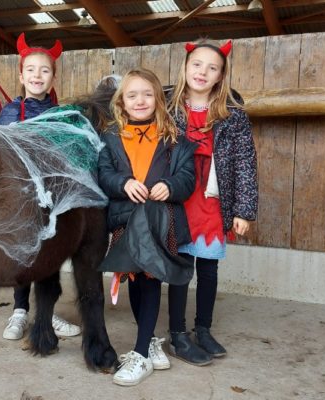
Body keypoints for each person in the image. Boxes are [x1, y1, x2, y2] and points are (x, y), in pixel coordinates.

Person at [97, 68, 196, 386]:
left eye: (147, 94)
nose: (140, 100)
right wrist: (124, 182)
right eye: (132, 95)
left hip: (159, 219)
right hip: (126, 218)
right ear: (121, 102)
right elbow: (104, 174)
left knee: (150, 276)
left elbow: (187, 178)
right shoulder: (111, 137)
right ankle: (150, 340)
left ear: (158, 99)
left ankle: (140, 354)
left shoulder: (174, 138)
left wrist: (170, 185)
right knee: (136, 280)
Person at [166, 38, 258, 365]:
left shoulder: (231, 113)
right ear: (186, 67)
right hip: (177, 200)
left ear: (221, 76)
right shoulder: (167, 107)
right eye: (197, 65)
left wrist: (244, 210)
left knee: (208, 267)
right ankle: (177, 334)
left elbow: (245, 160)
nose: (203, 72)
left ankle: (202, 328)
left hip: (212, 200)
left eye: (212, 68)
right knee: (180, 268)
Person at [0, 33, 81, 340]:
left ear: (53, 76)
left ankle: (46, 313)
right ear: (21, 75)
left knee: (50, 254)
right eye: (31, 70)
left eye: (44, 70)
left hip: (55, 196)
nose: (37, 75)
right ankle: (19, 312)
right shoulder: (10, 113)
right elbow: (2, 154)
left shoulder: (62, 115)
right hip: (20, 196)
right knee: (23, 253)